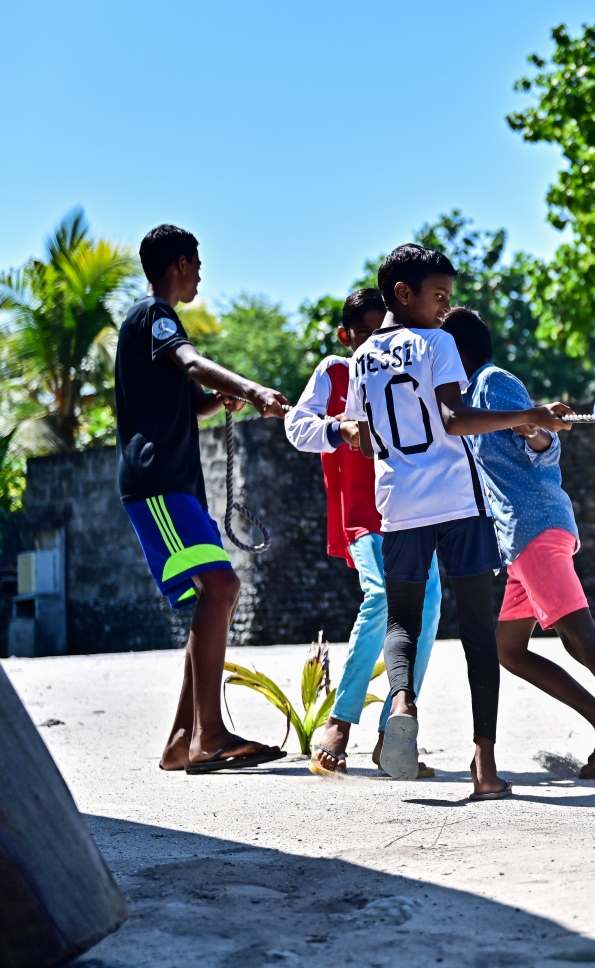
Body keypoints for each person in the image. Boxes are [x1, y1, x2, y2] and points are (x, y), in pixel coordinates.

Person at [345, 243, 570, 799]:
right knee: (476, 632)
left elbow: (360, 433)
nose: (446, 309)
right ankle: (485, 767)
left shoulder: (360, 358)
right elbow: (455, 418)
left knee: (402, 623)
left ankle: (402, 702)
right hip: (457, 506)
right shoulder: (438, 343)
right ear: (404, 294)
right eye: (439, 296)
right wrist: (528, 416)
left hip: (397, 507)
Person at [442, 307, 595, 785]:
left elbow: (544, 448)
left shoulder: (493, 382)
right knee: (509, 649)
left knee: (582, 639)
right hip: (516, 540)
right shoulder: (469, 401)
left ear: (454, 352)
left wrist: (534, 430)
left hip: (534, 528)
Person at [117, 224, 291, 773]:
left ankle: (181, 739)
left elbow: (190, 400)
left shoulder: (149, 325)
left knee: (205, 603)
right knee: (222, 586)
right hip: (159, 485)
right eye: (197, 264)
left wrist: (219, 402)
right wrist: (253, 389)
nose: (200, 275)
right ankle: (210, 735)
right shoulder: (154, 316)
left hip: (171, 487)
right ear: (182, 261)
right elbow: (191, 363)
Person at [284, 288, 442, 778]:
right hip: (361, 516)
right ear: (344, 335)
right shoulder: (335, 370)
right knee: (380, 599)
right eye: (365, 334)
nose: (375, 342)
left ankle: (390, 734)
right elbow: (297, 426)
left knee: (430, 605)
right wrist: (342, 430)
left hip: (411, 510)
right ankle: (339, 722)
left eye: (384, 332)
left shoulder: (405, 368)